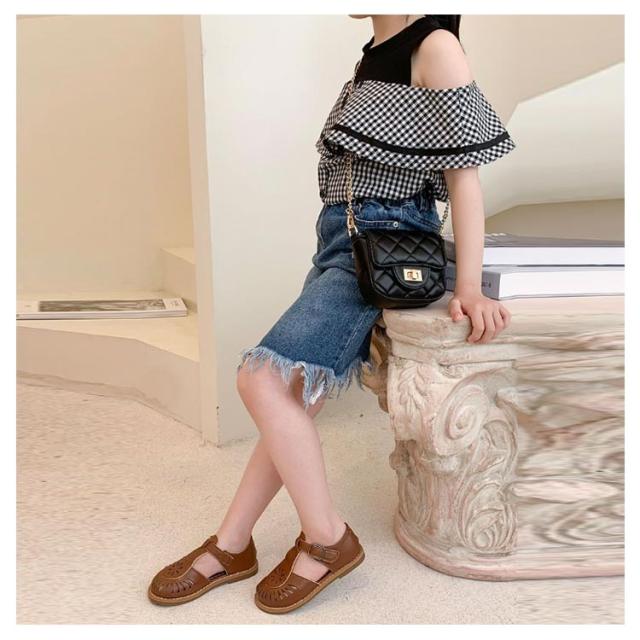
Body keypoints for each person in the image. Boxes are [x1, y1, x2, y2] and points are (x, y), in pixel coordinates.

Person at [148, 14, 515, 614]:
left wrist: (469, 286)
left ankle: (327, 539)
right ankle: (233, 544)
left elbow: (464, 179)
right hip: (340, 243)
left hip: (383, 246)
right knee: (290, 397)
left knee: (260, 380)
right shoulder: (376, 49)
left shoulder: (435, 46)